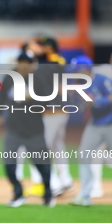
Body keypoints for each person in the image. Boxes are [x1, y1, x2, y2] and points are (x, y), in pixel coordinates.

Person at [0, 50, 54, 207]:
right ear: (20, 63)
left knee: (42, 164)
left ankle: (48, 193)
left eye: (30, 63)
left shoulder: (38, 79)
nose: (28, 66)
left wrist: (30, 98)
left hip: (34, 129)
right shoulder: (10, 77)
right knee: (9, 163)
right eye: (25, 63)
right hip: (14, 128)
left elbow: (47, 100)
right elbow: (1, 95)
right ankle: (18, 192)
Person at [23, 37, 73, 197]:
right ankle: (65, 180)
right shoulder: (49, 64)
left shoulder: (51, 64)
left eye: (43, 46)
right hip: (61, 111)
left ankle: (54, 183)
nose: (41, 48)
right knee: (58, 146)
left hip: (52, 111)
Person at [68, 55, 112, 206]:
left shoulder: (102, 80)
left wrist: (97, 101)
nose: (74, 74)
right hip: (96, 124)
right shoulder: (78, 85)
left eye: (76, 71)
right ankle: (85, 196)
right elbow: (80, 104)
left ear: (85, 70)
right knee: (83, 155)